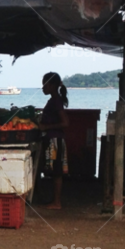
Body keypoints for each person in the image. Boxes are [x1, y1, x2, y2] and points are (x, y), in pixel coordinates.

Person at [38, 72, 69, 210]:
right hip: (53, 139)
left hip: (55, 140)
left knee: (56, 172)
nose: (43, 87)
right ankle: (55, 200)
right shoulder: (54, 100)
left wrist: (46, 126)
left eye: (45, 84)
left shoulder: (56, 101)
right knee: (54, 171)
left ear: (52, 86)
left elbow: (65, 122)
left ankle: (57, 202)